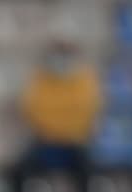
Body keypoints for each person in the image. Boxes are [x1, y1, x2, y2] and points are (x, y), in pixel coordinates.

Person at [16, 39, 101, 184]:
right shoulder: (40, 79)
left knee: (92, 176)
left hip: (75, 142)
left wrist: (62, 125)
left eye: (65, 56)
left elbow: (85, 110)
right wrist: (57, 125)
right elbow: (32, 110)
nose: (61, 62)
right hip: (46, 141)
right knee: (21, 174)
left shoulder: (84, 79)